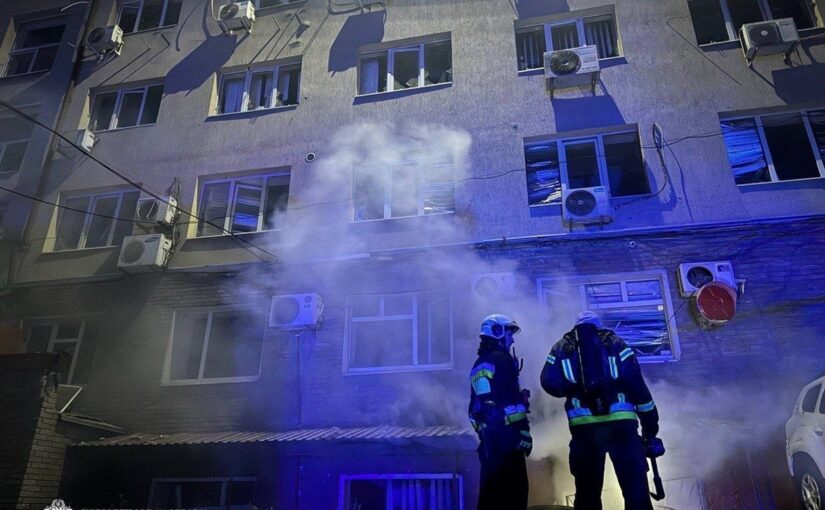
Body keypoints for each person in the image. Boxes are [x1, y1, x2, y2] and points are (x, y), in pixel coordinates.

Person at [541, 311, 665, 510]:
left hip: (584, 430)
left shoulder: (560, 348)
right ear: (599, 326)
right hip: (622, 428)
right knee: (636, 492)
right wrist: (650, 431)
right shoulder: (617, 344)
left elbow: (548, 382)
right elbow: (638, 387)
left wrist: (572, 390)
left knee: (587, 495)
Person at [468, 313, 532, 510]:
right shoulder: (502, 359)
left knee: (490, 497)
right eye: (509, 334)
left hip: (489, 442)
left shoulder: (479, 364)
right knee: (515, 495)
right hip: (508, 441)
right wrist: (523, 431)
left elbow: (475, 409)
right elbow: (509, 401)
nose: (512, 340)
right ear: (497, 332)